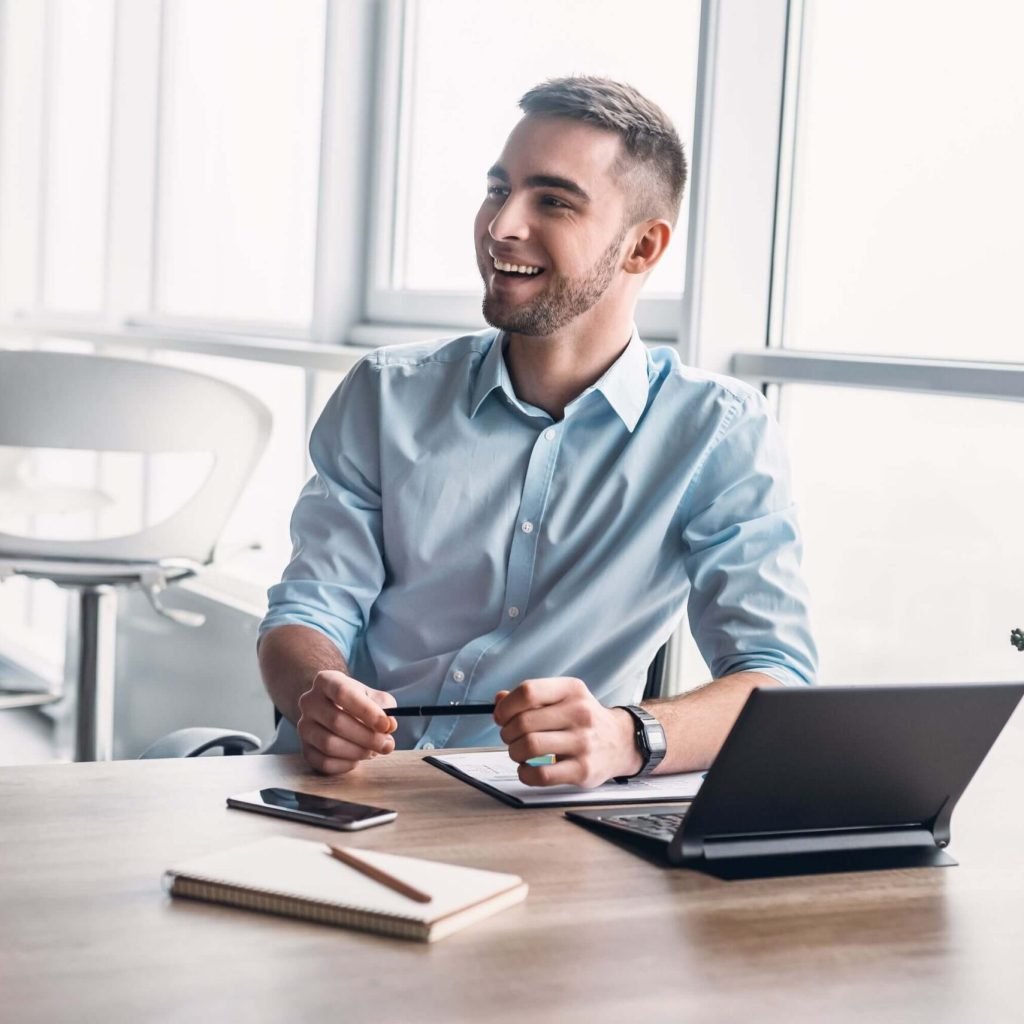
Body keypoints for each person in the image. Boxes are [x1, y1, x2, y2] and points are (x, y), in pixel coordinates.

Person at [258, 76, 817, 785]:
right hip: (342, 788)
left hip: (529, 812)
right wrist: (316, 693)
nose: (501, 226)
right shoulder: (385, 394)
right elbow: (307, 609)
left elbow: (777, 675)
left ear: (642, 248)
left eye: (552, 200)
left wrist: (628, 736)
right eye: (498, 189)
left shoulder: (717, 433)